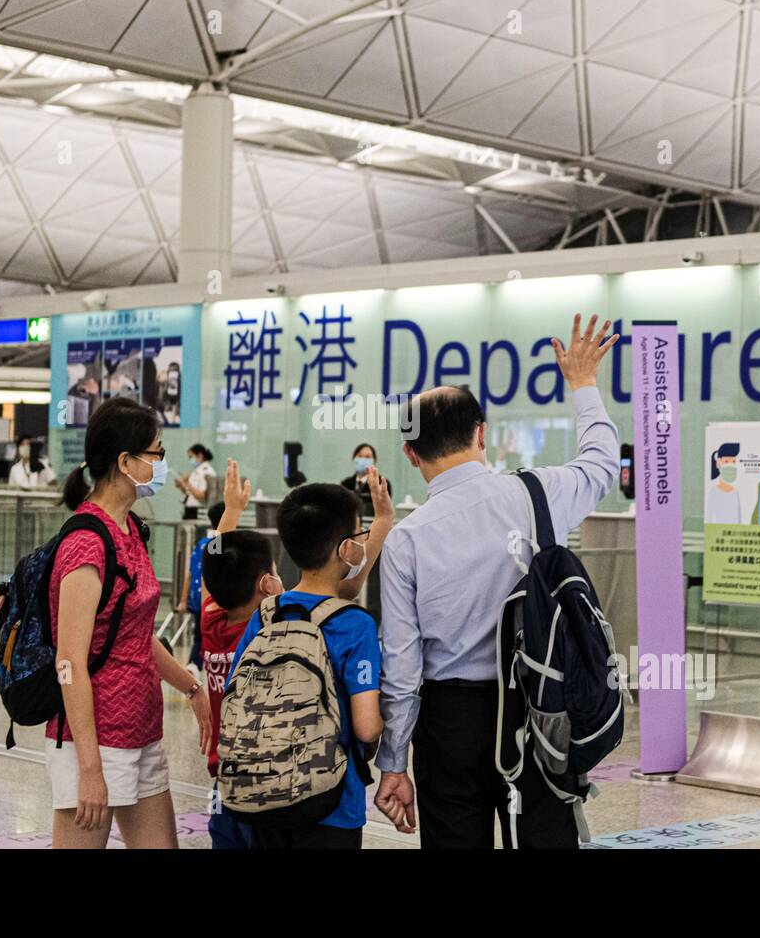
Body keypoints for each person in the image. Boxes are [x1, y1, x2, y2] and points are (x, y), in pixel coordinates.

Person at [374, 313, 619, 848]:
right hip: (538, 704)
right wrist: (583, 384)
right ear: (481, 433)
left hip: (449, 721)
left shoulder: (406, 540)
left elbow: (402, 666)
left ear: (411, 454)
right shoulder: (539, 493)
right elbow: (603, 464)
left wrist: (394, 762)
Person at [49, 397, 210, 849]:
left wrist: (191, 687)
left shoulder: (131, 528)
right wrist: (89, 769)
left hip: (141, 732)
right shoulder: (85, 543)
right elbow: (69, 662)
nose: (162, 464)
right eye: (156, 453)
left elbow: (136, 635)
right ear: (125, 462)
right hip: (94, 740)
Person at [225, 475, 393, 848]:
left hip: (265, 793)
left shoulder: (267, 613)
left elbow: (234, 690)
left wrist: (381, 522)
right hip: (332, 803)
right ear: (346, 549)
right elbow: (367, 728)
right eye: (359, 536)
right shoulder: (357, 626)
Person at [197, 459, 268, 849]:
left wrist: (231, 512)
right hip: (264, 777)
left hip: (223, 775)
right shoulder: (262, 630)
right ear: (266, 583)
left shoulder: (211, 621)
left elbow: (211, 573)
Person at [176, 501, 225, 677]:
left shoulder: (203, 544)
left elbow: (190, 574)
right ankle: (195, 665)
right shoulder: (223, 544)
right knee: (206, 635)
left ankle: (194, 664)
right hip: (214, 600)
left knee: (200, 634)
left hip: (198, 598)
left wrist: (184, 601)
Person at [174, 444, 218, 520]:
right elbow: (190, 492)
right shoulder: (197, 472)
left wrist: (187, 484)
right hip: (190, 510)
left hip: (198, 512)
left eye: (191, 457)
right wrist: (182, 485)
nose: (190, 460)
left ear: (200, 455)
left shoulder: (207, 472)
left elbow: (203, 496)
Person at [340, 443, 389, 510]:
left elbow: (383, 507)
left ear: (374, 461)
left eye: (367, 457)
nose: (363, 460)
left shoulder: (382, 483)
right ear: (354, 459)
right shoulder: (345, 484)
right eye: (360, 456)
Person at [705, 442, 742, 524]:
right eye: (726, 461)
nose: (730, 465)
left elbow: (739, 520)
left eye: (733, 462)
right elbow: (709, 518)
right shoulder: (713, 492)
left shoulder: (735, 492)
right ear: (718, 463)